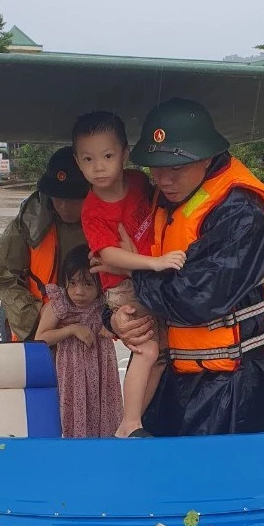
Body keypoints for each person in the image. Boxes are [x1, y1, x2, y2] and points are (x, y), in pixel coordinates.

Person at [107, 98, 264, 437]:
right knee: (157, 479)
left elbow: (196, 298)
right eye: (154, 167)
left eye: (175, 168)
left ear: (204, 157)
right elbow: (107, 273)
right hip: (166, 375)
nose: (162, 179)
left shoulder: (245, 211)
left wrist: (136, 270)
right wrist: (115, 317)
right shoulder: (163, 197)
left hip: (230, 389)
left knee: (220, 484)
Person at [73, 111, 186, 438]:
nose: (99, 167)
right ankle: (129, 423)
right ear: (79, 164)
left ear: (124, 154)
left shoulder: (139, 182)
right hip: (124, 286)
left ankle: (138, 420)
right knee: (147, 350)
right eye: (88, 159)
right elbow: (107, 254)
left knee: (163, 355)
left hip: (155, 276)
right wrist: (151, 262)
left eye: (108, 156)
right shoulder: (92, 210)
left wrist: (154, 260)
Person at [0, 147, 90, 340]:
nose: (64, 206)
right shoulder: (26, 224)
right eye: (58, 198)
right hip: (35, 326)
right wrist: (38, 313)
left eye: (72, 200)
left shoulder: (107, 225)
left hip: (86, 327)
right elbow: (6, 279)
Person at [34, 246, 122, 438]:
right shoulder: (61, 303)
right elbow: (40, 337)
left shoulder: (106, 304)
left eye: (88, 284)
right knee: (73, 414)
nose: (79, 292)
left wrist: (112, 325)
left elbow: (125, 326)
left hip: (102, 372)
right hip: (72, 374)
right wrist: (71, 330)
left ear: (100, 285)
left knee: (104, 413)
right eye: (72, 283)